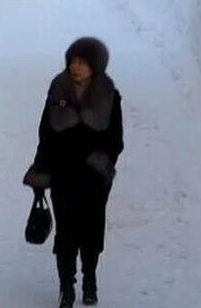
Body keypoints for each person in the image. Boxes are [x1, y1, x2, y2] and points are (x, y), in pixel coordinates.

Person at [24, 37, 123, 307]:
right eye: (72, 61)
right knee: (66, 231)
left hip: (93, 177)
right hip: (63, 172)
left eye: (82, 62)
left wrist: (101, 160)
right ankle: (66, 286)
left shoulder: (109, 95)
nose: (75, 67)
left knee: (91, 231)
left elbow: (116, 139)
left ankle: (90, 279)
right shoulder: (58, 89)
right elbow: (45, 132)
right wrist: (40, 167)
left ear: (95, 66)